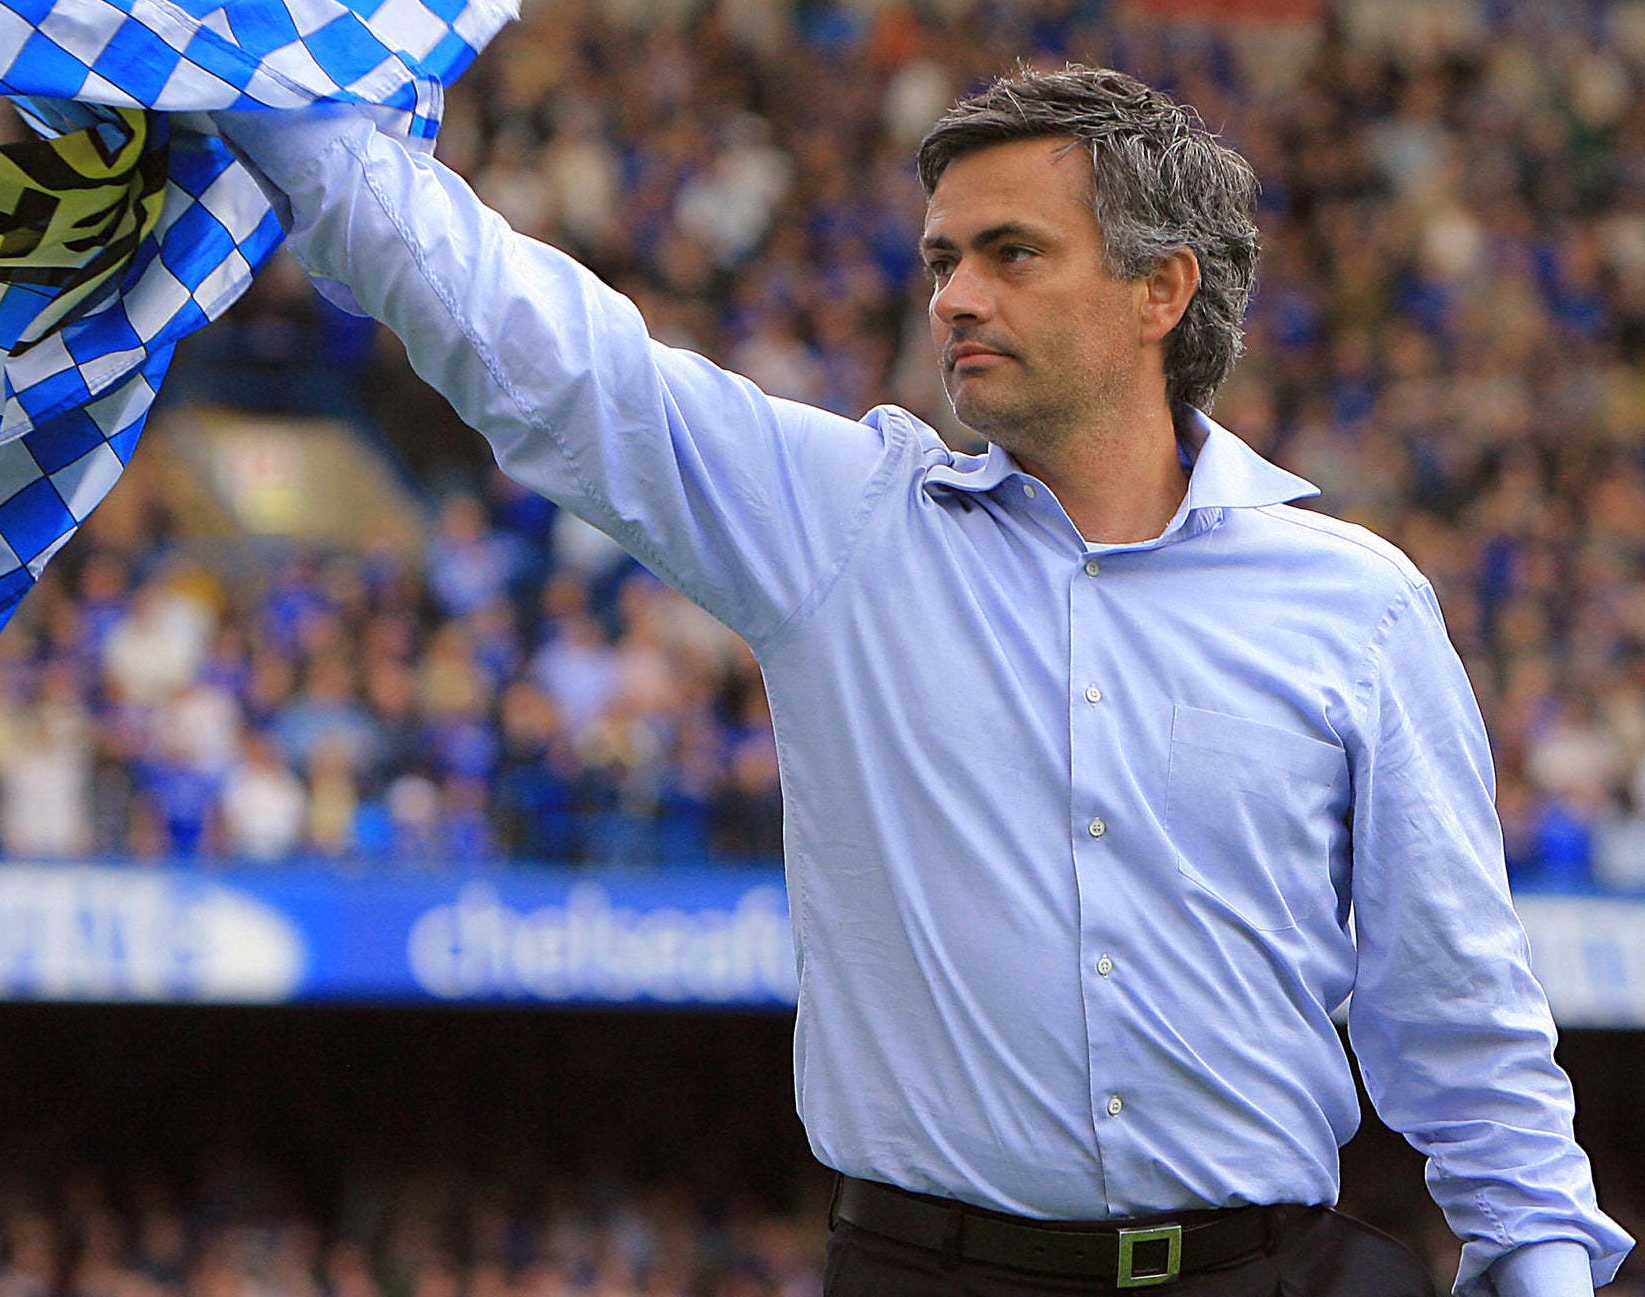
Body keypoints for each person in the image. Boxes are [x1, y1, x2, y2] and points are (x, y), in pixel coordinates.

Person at [211, 65, 1631, 1295]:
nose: (954, 294)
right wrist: (259, 95)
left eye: (1011, 253)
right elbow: (545, 353)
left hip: (1278, 1270)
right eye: (942, 256)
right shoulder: (839, 524)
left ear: (1160, 289)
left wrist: (1545, 1271)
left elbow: (1454, 1007)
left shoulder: (1359, 603)